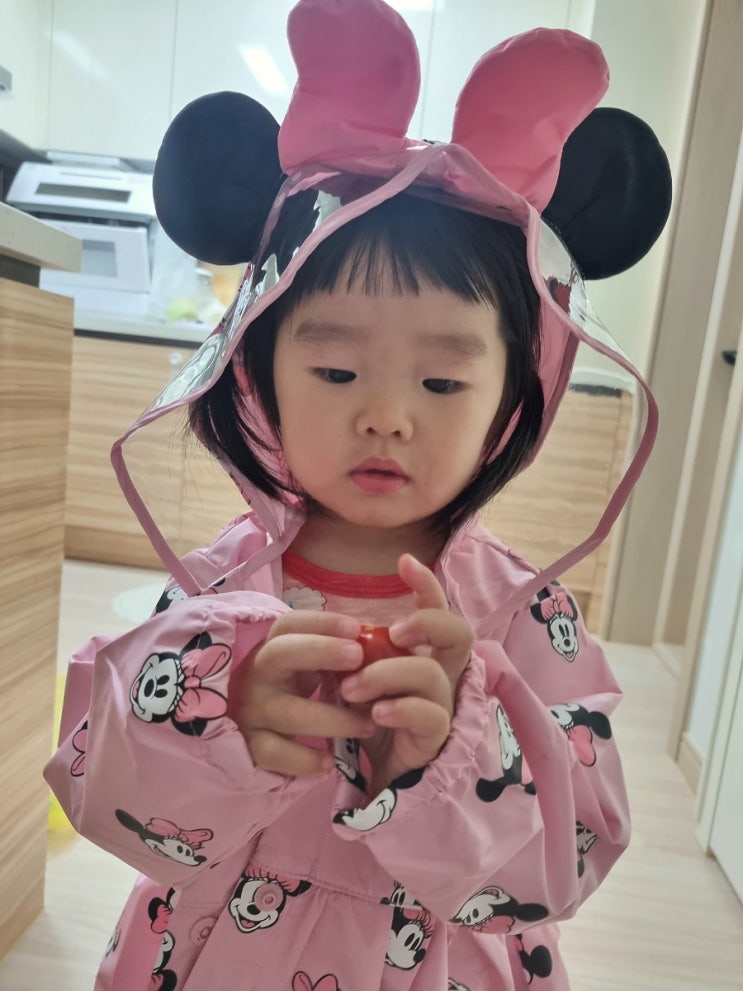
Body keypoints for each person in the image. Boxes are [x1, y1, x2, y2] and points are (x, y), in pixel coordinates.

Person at [45, 2, 672, 989]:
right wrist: (220, 708)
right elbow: (101, 783)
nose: (386, 417)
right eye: (335, 372)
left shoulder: (524, 610)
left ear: (512, 399)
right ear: (258, 374)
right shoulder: (217, 582)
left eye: (442, 381)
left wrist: (451, 753)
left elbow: (574, 849)